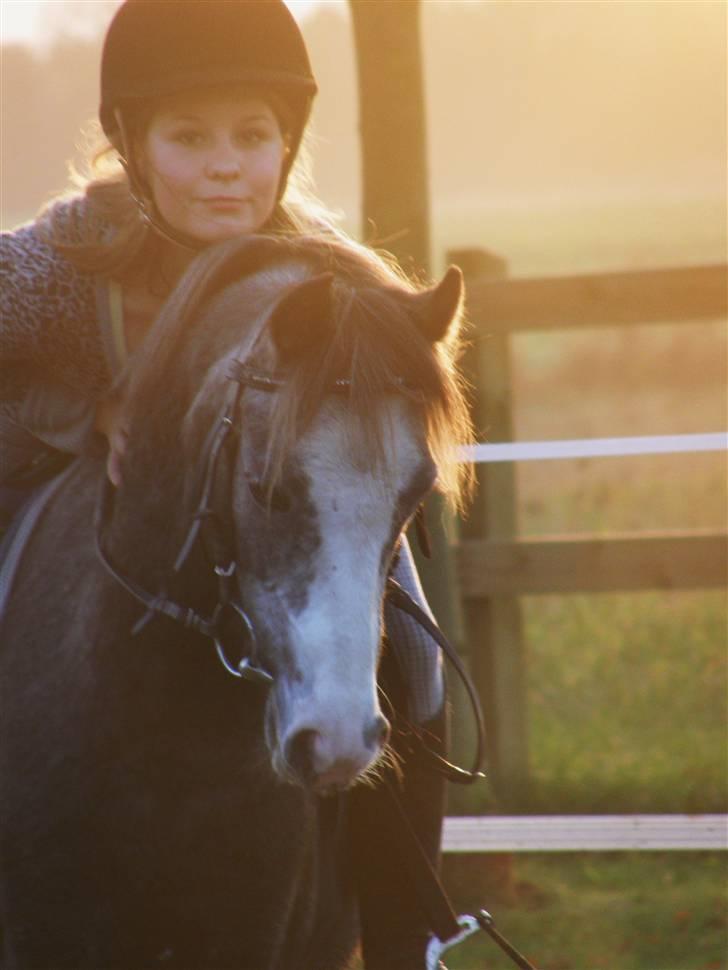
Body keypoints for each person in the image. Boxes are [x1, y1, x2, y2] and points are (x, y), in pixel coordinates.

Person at [0, 1, 450, 966]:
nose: (223, 164)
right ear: (131, 144)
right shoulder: (64, 260)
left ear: (287, 145)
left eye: (253, 137)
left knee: (416, 664)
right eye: (189, 137)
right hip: (61, 505)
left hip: (291, 528)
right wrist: (84, 414)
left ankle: (409, 925)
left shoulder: (327, 271)